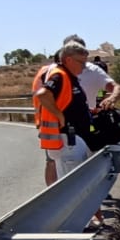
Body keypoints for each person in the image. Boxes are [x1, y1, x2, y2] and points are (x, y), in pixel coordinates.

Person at [32, 42, 93, 185]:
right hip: (68, 141)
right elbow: (43, 94)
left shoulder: (69, 76)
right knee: (72, 185)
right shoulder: (60, 75)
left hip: (73, 140)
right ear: (69, 60)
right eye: (81, 62)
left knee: (76, 184)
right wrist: (59, 115)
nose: (84, 67)